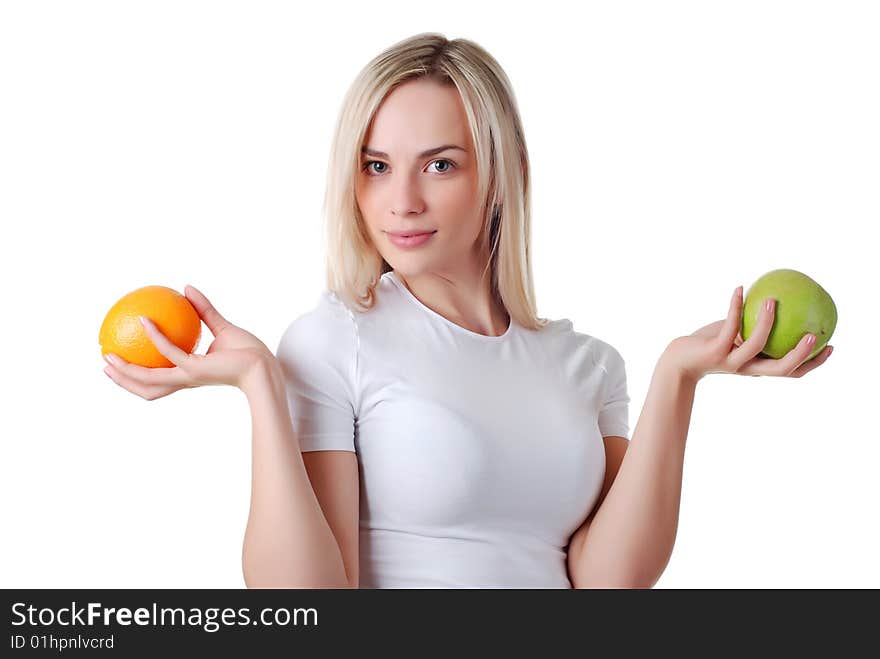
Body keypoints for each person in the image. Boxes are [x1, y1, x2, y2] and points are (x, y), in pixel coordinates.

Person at [102, 33, 833, 589]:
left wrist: (678, 376)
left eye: (440, 163)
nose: (403, 201)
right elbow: (309, 602)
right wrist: (261, 384)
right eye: (376, 166)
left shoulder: (587, 365)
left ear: (503, 172)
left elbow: (607, 583)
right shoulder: (333, 341)